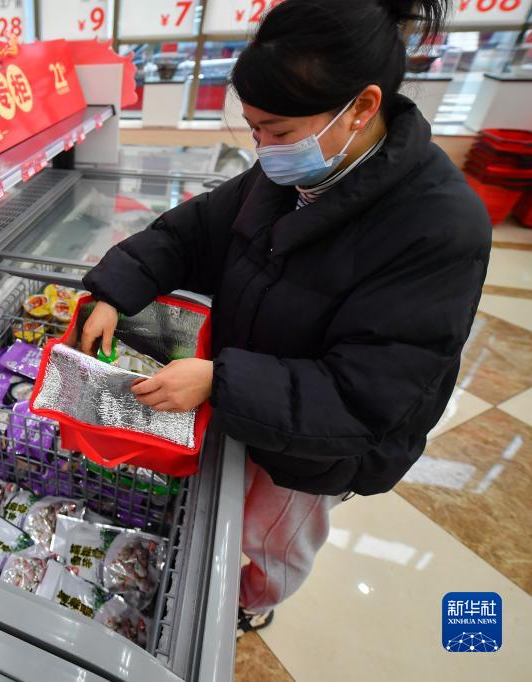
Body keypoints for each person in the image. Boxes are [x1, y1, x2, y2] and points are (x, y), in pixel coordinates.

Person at [79, 0, 490, 638]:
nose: (263, 149)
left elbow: (363, 396)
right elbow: (195, 233)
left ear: (361, 106)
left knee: (272, 534)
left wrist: (219, 381)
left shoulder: (438, 227)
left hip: (319, 450)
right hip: (253, 400)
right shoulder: (290, 172)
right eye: (254, 129)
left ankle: (255, 599)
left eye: (277, 131)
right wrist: (116, 288)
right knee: (231, 501)